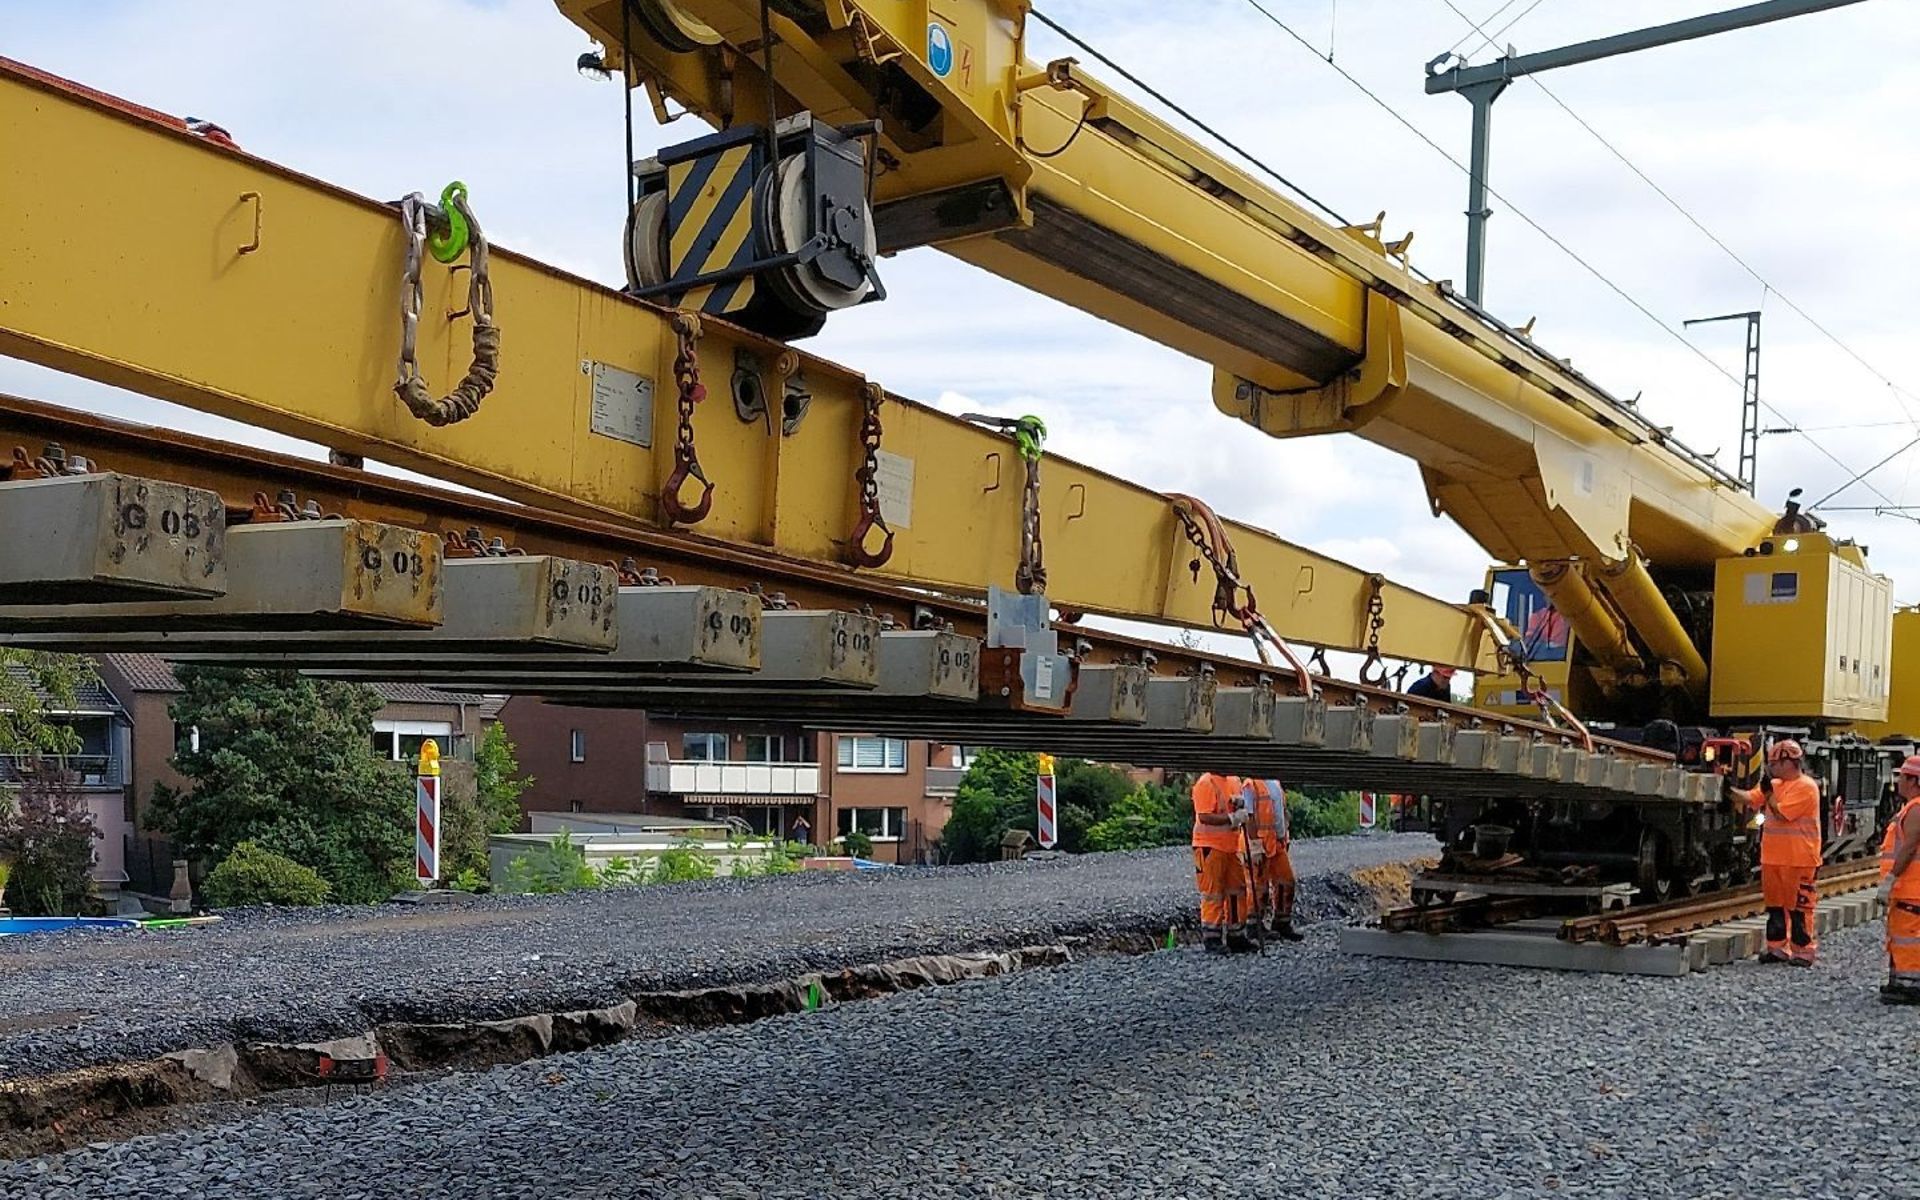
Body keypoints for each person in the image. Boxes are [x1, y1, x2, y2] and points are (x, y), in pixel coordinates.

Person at [1730, 739, 1822, 966]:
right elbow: (1751, 799)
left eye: (1774, 763)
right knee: (1775, 906)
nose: (1771, 767)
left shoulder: (1806, 787)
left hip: (1799, 858)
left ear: (1789, 762)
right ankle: (1777, 949)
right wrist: (1727, 790)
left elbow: (1781, 814)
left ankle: (1803, 952)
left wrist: (1768, 793)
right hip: (1773, 858)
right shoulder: (1778, 785)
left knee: (1799, 908)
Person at [1191, 773, 1255, 953]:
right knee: (1213, 893)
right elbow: (1204, 816)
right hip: (1209, 847)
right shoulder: (1206, 783)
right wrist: (1232, 818)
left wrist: (1240, 804)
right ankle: (1212, 938)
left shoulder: (1234, 781)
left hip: (1230, 847)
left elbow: (1234, 804)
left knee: (1237, 890)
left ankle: (1236, 935)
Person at [1876, 755, 1920, 1005]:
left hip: (1912, 887)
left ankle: (1910, 987)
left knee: (1909, 936)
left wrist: (1891, 878)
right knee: (1904, 935)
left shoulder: (1916, 809)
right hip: (1910, 888)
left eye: (1902, 777)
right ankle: (1903, 982)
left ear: (1914, 780)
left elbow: (1910, 845)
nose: (1898, 782)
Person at [1248, 778, 1304, 942]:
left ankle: (1282, 922)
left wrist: (1285, 836)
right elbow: (1249, 817)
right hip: (1262, 845)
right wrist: (1255, 846)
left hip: (1276, 844)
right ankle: (1253, 926)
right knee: (1260, 888)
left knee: (1286, 882)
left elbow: (1281, 812)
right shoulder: (1251, 784)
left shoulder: (1276, 784)